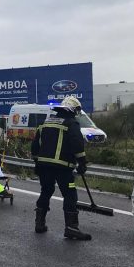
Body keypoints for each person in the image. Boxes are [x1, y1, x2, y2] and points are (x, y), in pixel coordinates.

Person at [32, 96, 91, 240]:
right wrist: (82, 163)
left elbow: (35, 145)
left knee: (46, 191)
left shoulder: (45, 123)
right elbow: (77, 144)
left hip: (44, 166)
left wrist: (36, 162)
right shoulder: (71, 123)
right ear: (73, 109)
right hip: (63, 168)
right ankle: (71, 228)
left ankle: (39, 224)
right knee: (70, 194)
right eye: (77, 110)